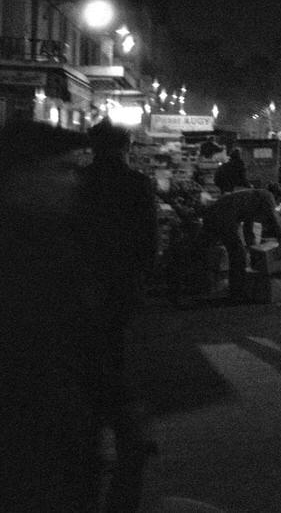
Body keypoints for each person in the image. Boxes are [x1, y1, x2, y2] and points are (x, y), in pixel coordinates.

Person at [0, 120, 105, 511]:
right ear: (22, 176)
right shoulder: (25, 251)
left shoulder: (55, 238)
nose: (74, 182)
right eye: (61, 170)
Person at [81, 119, 160, 511]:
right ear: (126, 147)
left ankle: (93, 437)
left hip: (83, 287)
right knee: (119, 359)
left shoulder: (80, 182)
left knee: (90, 359)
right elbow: (150, 241)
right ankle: (128, 438)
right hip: (122, 287)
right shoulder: (137, 185)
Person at [201, 186, 281, 300]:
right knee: (238, 254)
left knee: (207, 250)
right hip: (223, 217)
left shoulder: (253, 197)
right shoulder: (267, 196)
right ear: (277, 196)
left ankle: (204, 286)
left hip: (213, 215)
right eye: (279, 201)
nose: (277, 205)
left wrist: (253, 248)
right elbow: (273, 219)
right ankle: (237, 292)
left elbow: (248, 227)